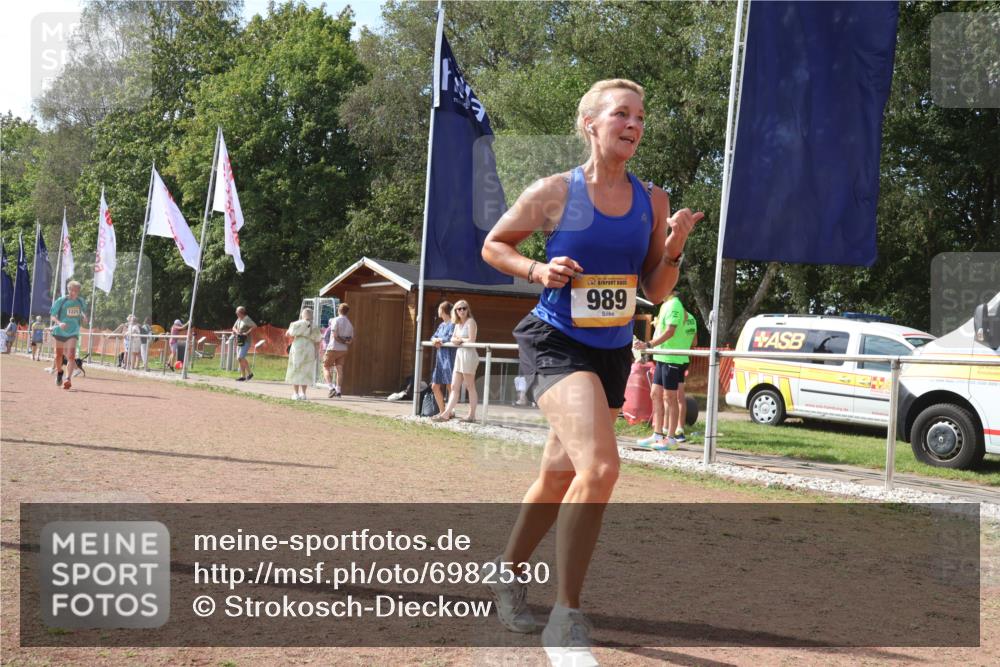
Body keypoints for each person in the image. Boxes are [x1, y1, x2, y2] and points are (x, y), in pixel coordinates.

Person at [480, 79, 699, 664]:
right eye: (622, 114)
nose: (634, 124)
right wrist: (536, 269)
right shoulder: (555, 192)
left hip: (611, 347)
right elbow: (494, 245)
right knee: (600, 468)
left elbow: (654, 288)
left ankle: (504, 575)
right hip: (555, 340)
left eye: (641, 117)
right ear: (590, 124)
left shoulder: (652, 200)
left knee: (559, 476)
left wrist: (673, 247)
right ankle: (567, 615)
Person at [633, 291, 697, 449]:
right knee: (655, 394)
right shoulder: (666, 305)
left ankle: (671, 438)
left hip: (672, 359)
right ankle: (657, 434)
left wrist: (648, 344)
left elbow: (670, 331)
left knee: (671, 398)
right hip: (662, 357)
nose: (654, 290)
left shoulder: (674, 304)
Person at [432, 299, 479, 422]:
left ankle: (471, 415)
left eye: (464, 308)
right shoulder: (457, 324)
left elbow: (472, 340)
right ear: (456, 311)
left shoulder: (471, 322)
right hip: (459, 355)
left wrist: (461, 340)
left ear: (468, 310)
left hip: (468, 355)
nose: (462, 311)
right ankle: (446, 414)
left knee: (470, 386)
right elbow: (452, 338)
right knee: (454, 386)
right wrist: (456, 340)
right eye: (459, 309)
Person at [50, 280, 90, 389]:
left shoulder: (81, 301)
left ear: (78, 291)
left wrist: (85, 317)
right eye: (71, 290)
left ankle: (68, 379)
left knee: (71, 355)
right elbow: (53, 316)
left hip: (73, 332)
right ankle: (59, 372)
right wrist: (59, 323)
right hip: (60, 331)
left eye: (76, 291)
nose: (73, 292)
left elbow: (83, 312)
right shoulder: (61, 301)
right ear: (68, 290)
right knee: (58, 355)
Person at [284, 307, 323, 400]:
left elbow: (288, 334)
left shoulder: (296, 324)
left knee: (296, 368)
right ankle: (304, 394)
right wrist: (316, 353)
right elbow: (318, 341)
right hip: (310, 347)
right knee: (306, 369)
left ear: (302, 314)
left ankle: (296, 394)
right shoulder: (315, 326)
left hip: (298, 346)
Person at [430, 301, 456, 413]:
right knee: (435, 386)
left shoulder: (453, 324)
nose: (438, 311)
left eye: (440, 308)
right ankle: (442, 411)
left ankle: (448, 412)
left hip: (449, 358)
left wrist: (440, 340)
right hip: (440, 359)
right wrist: (435, 340)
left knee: (450, 386)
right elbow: (433, 336)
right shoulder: (441, 325)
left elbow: (451, 338)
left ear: (444, 311)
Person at [322, 303, 353, 397]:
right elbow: (350, 340)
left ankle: (331, 388)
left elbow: (334, 335)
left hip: (333, 347)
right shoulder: (350, 323)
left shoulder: (336, 320)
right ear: (347, 312)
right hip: (343, 350)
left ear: (338, 310)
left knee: (326, 366)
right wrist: (345, 342)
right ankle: (338, 390)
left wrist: (341, 341)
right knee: (340, 369)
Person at [232, 306, 257, 381]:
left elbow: (254, 326)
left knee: (240, 357)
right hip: (240, 339)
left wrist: (247, 332)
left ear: (241, 312)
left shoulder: (247, 319)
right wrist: (237, 332)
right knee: (239, 359)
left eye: (237, 311)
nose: (236, 312)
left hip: (246, 341)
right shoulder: (239, 319)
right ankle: (243, 376)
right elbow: (233, 327)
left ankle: (250, 373)